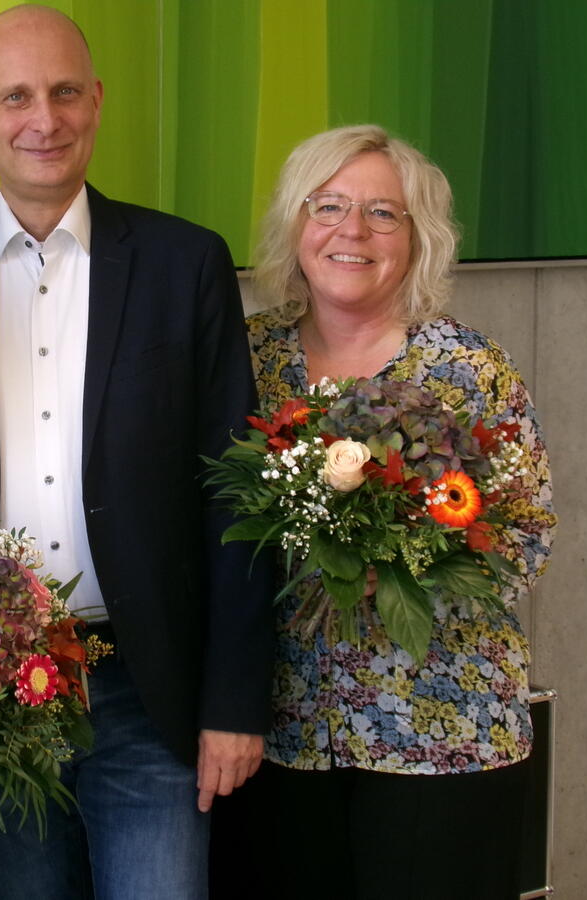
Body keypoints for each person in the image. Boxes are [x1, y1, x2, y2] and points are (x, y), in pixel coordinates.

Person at [0, 5, 274, 898]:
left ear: (97, 101)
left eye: (63, 92)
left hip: (147, 688)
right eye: (15, 96)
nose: (43, 119)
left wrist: (234, 702)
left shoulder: (186, 264)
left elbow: (237, 498)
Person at [236, 125, 556, 899]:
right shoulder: (246, 359)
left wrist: (404, 564)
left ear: (420, 240)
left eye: (383, 213)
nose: (353, 231)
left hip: (443, 730)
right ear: (294, 223)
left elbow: (526, 532)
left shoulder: (467, 368)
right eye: (330, 206)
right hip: (279, 735)